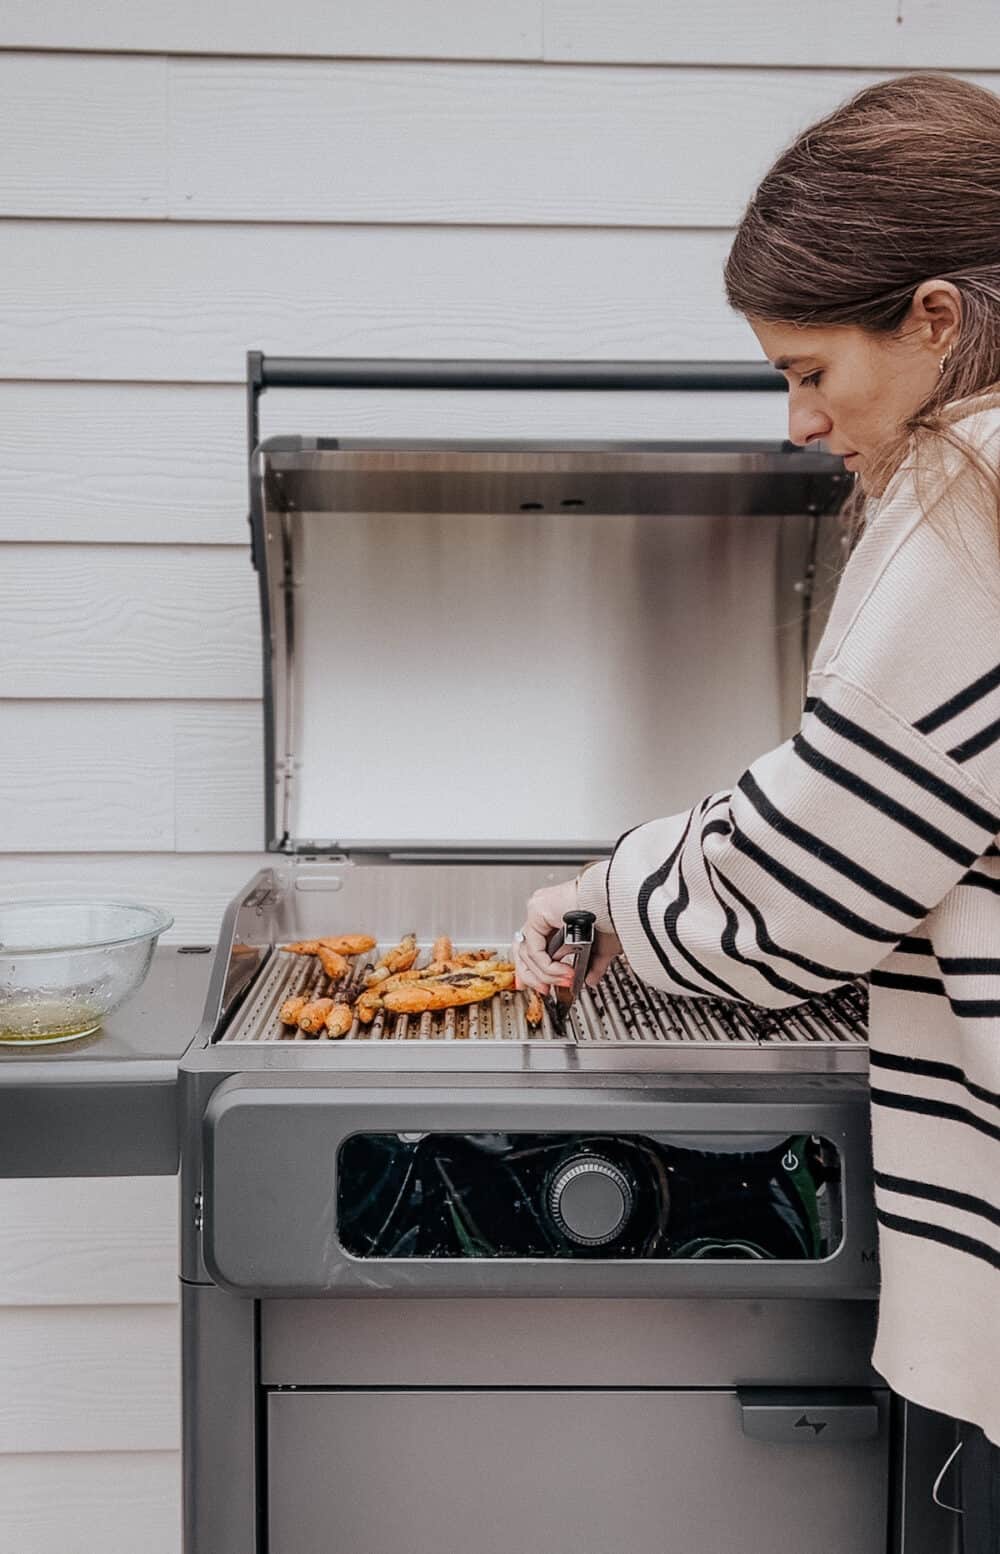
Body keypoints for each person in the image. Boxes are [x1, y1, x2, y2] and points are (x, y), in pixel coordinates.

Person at [513, 71, 1000, 1552]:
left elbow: (782, 906)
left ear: (932, 319)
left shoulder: (971, 504)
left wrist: (602, 891)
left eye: (806, 369)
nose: (796, 421)